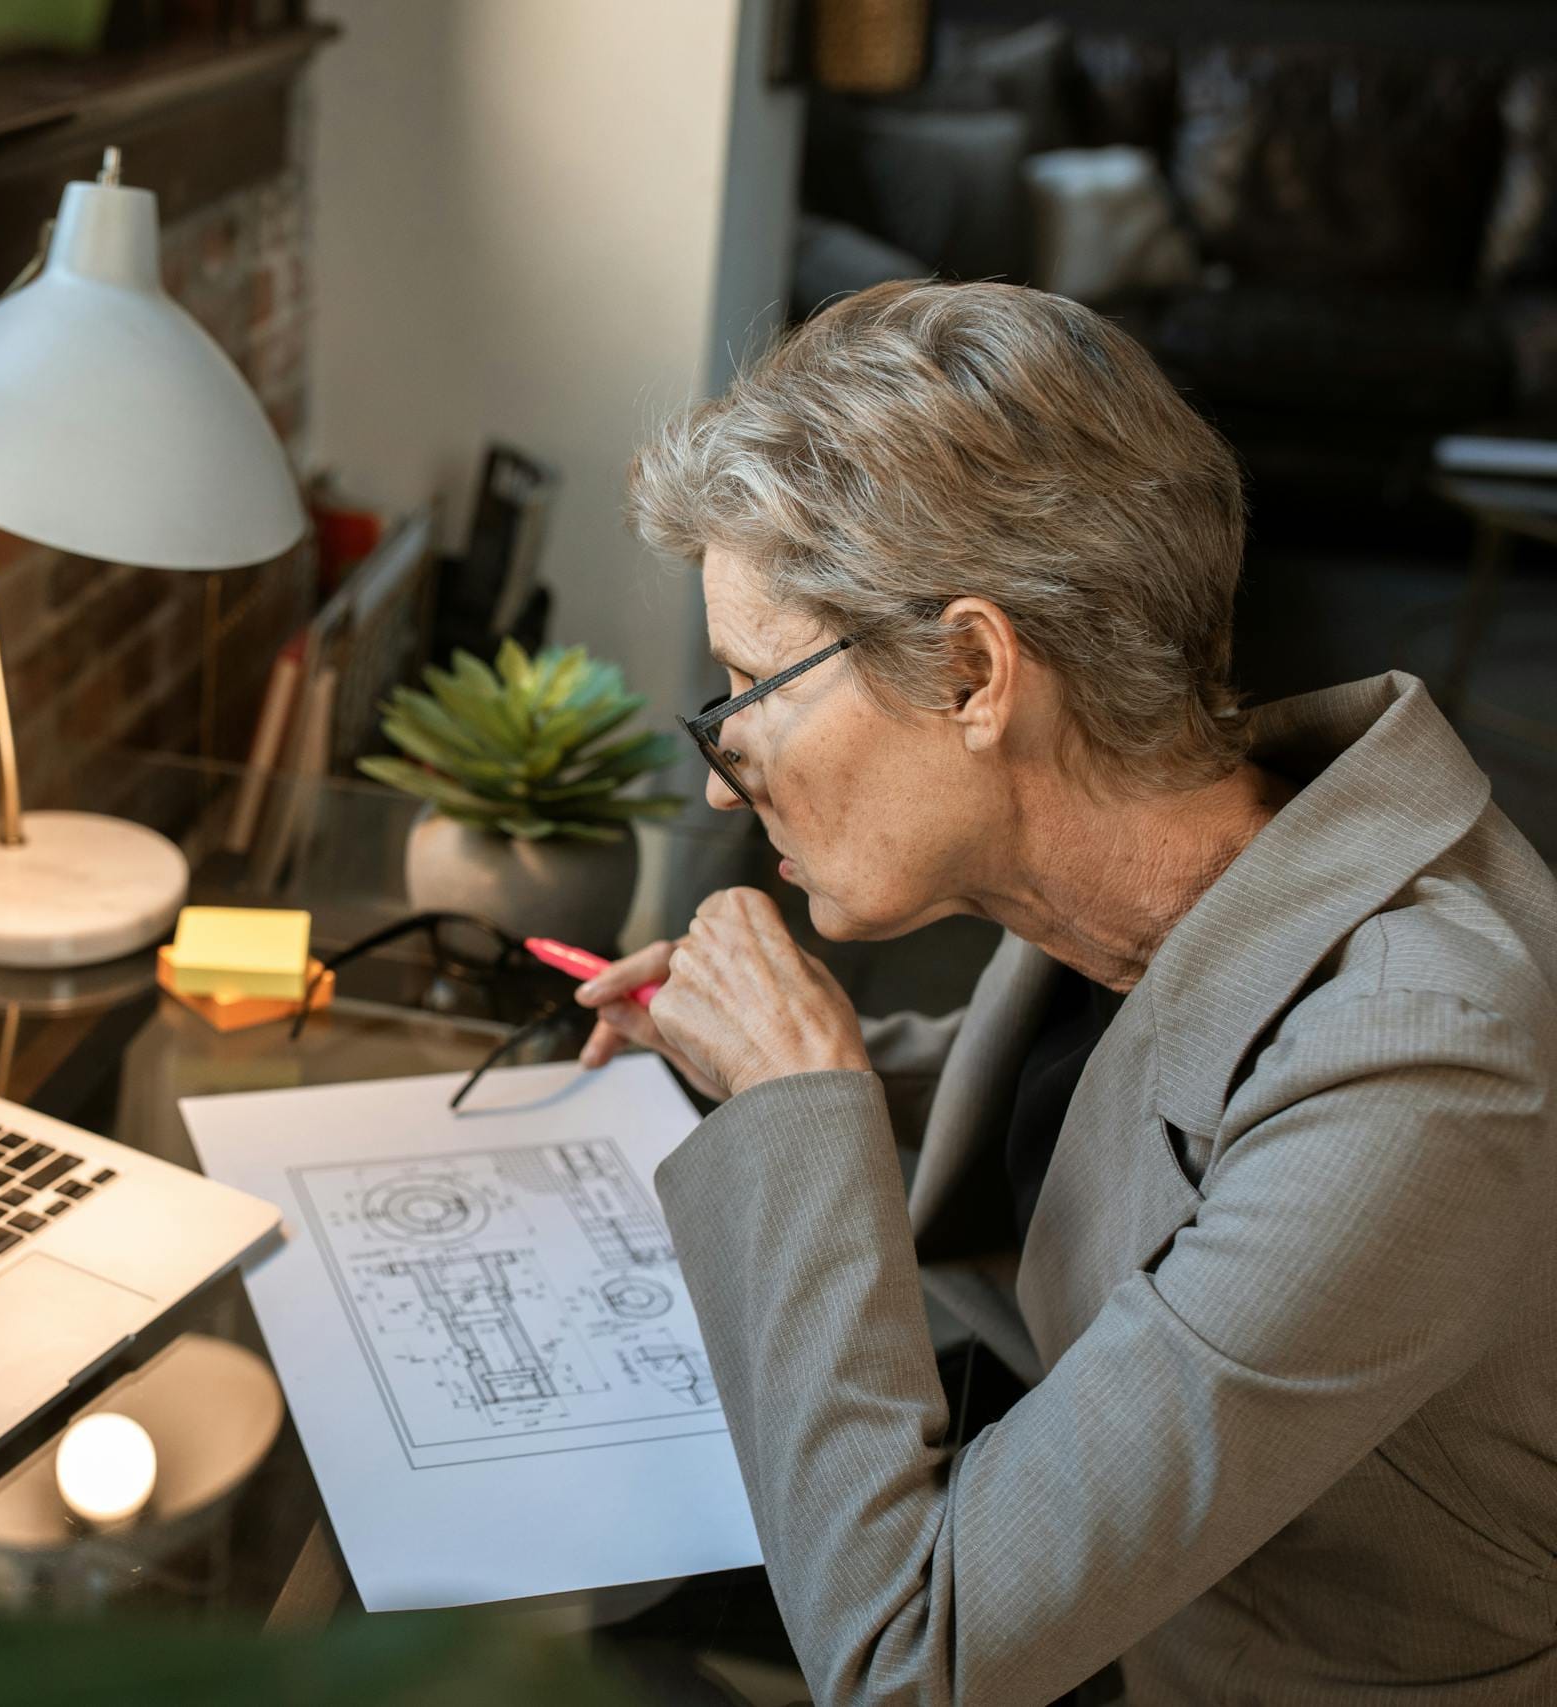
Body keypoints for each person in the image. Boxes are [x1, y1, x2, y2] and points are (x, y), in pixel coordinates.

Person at [578, 279, 1557, 1703]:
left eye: (749, 690)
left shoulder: (1423, 1062)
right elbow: (1120, 1087)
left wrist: (802, 1099)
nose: (726, 758)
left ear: (975, 671)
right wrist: (737, 1061)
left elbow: (909, 1660)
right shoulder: (1148, 859)